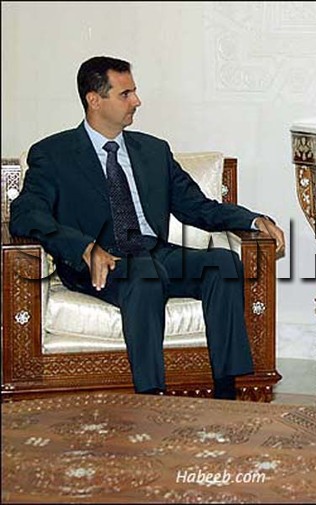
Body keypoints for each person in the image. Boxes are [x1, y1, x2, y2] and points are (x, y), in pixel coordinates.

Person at [9, 56, 286, 400]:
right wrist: (82, 247)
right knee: (144, 275)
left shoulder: (153, 151)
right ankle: (151, 396)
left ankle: (228, 390)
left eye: (134, 92)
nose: (136, 101)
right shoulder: (53, 154)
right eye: (125, 94)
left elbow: (197, 207)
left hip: (155, 253)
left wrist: (253, 219)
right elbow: (25, 214)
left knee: (223, 264)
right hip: (101, 261)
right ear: (94, 100)